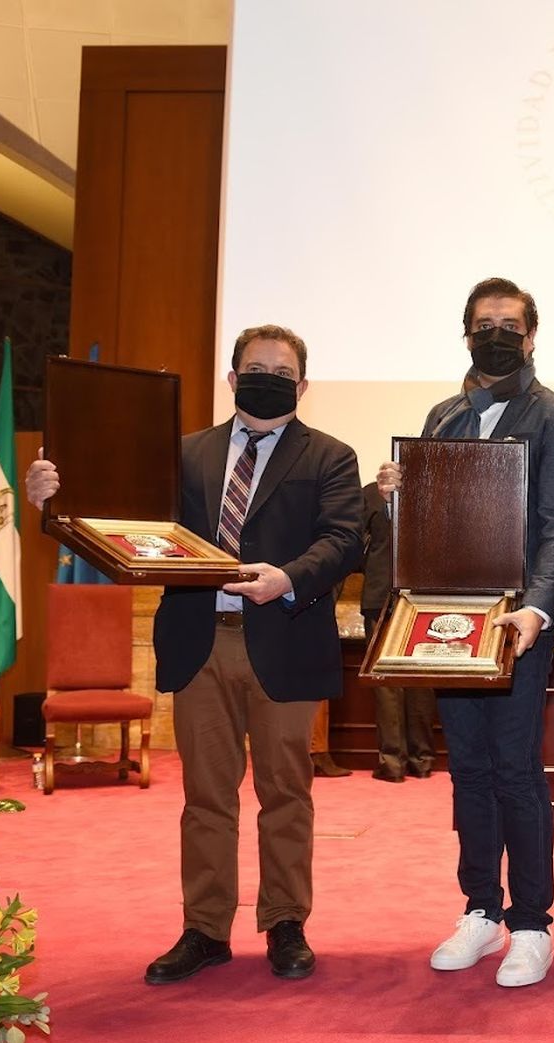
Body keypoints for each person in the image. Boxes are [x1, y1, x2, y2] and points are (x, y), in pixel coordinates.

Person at [25, 324, 362, 984]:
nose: (268, 376)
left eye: (282, 369)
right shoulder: (182, 454)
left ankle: (286, 921)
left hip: (285, 639)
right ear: (232, 379)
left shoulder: (330, 456)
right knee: (206, 796)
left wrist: (286, 577)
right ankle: (205, 928)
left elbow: (344, 539)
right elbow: (121, 518)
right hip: (199, 641)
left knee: (285, 793)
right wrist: (53, 500)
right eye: (254, 367)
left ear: (302, 385)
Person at [377, 277, 554, 988]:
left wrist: (537, 607)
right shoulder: (442, 414)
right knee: (466, 770)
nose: (495, 333)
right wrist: (395, 501)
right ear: (466, 334)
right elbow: (432, 523)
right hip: (449, 623)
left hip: (517, 625)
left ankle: (532, 921)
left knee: (515, 770)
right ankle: (481, 910)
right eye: (482, 323)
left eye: (509, 323)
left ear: (531, 336)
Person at [358, 479, 437, 782]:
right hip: (422, 597)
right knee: (421, 680)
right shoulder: (434, 493)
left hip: (382, 596)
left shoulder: (368, 494)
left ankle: (392, 762)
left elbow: (353, 543)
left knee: (387, 683)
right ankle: (422, 760)